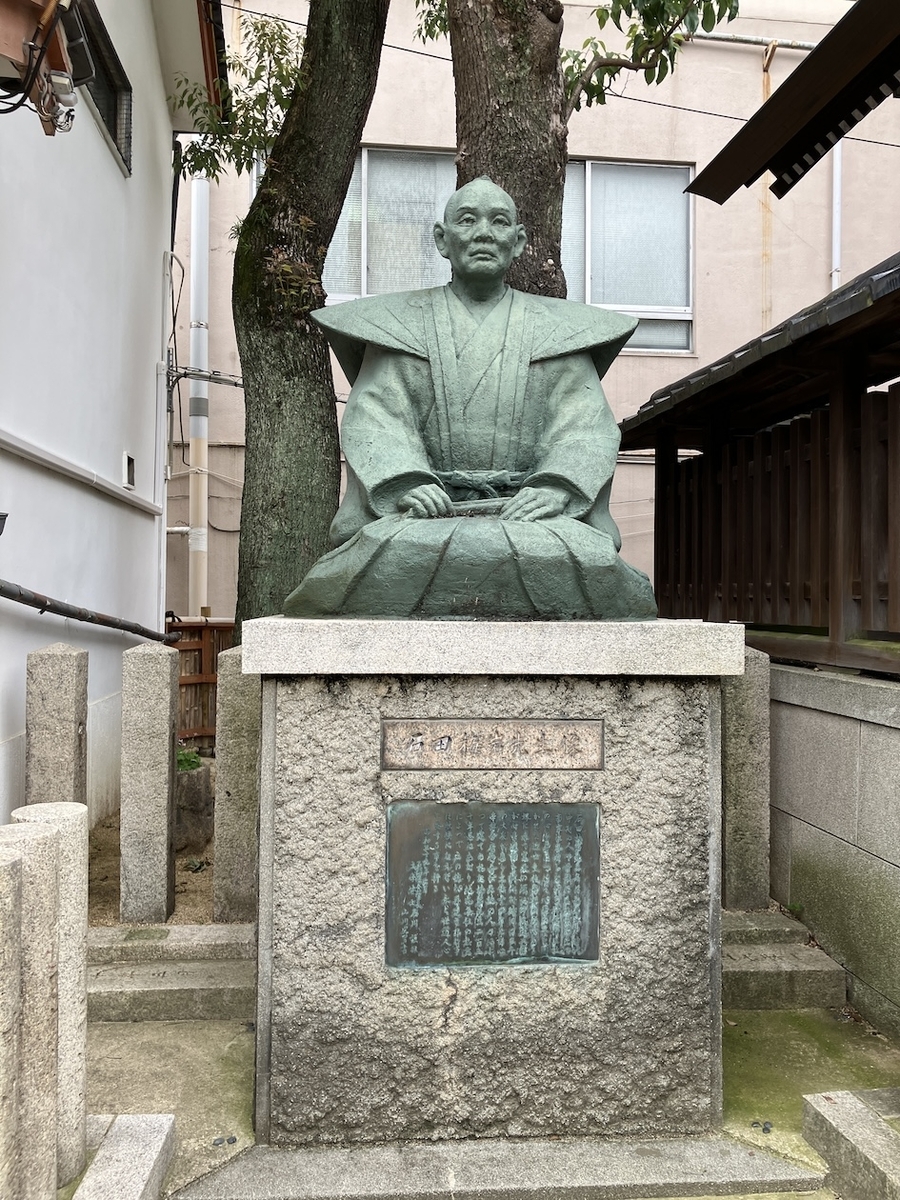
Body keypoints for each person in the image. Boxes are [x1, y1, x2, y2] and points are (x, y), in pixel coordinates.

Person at [284, 177, 656, 620]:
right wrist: (406, 484)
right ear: (442, 239)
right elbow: (375, 420)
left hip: (529, 515)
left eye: (499, 222)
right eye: (467, 220)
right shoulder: (400, 330)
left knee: (580, 556)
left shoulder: (558, 336)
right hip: (425, 516)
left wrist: (556, 488)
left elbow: (584, 429)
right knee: (389, 551)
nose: (483, 232)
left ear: (517, 242)